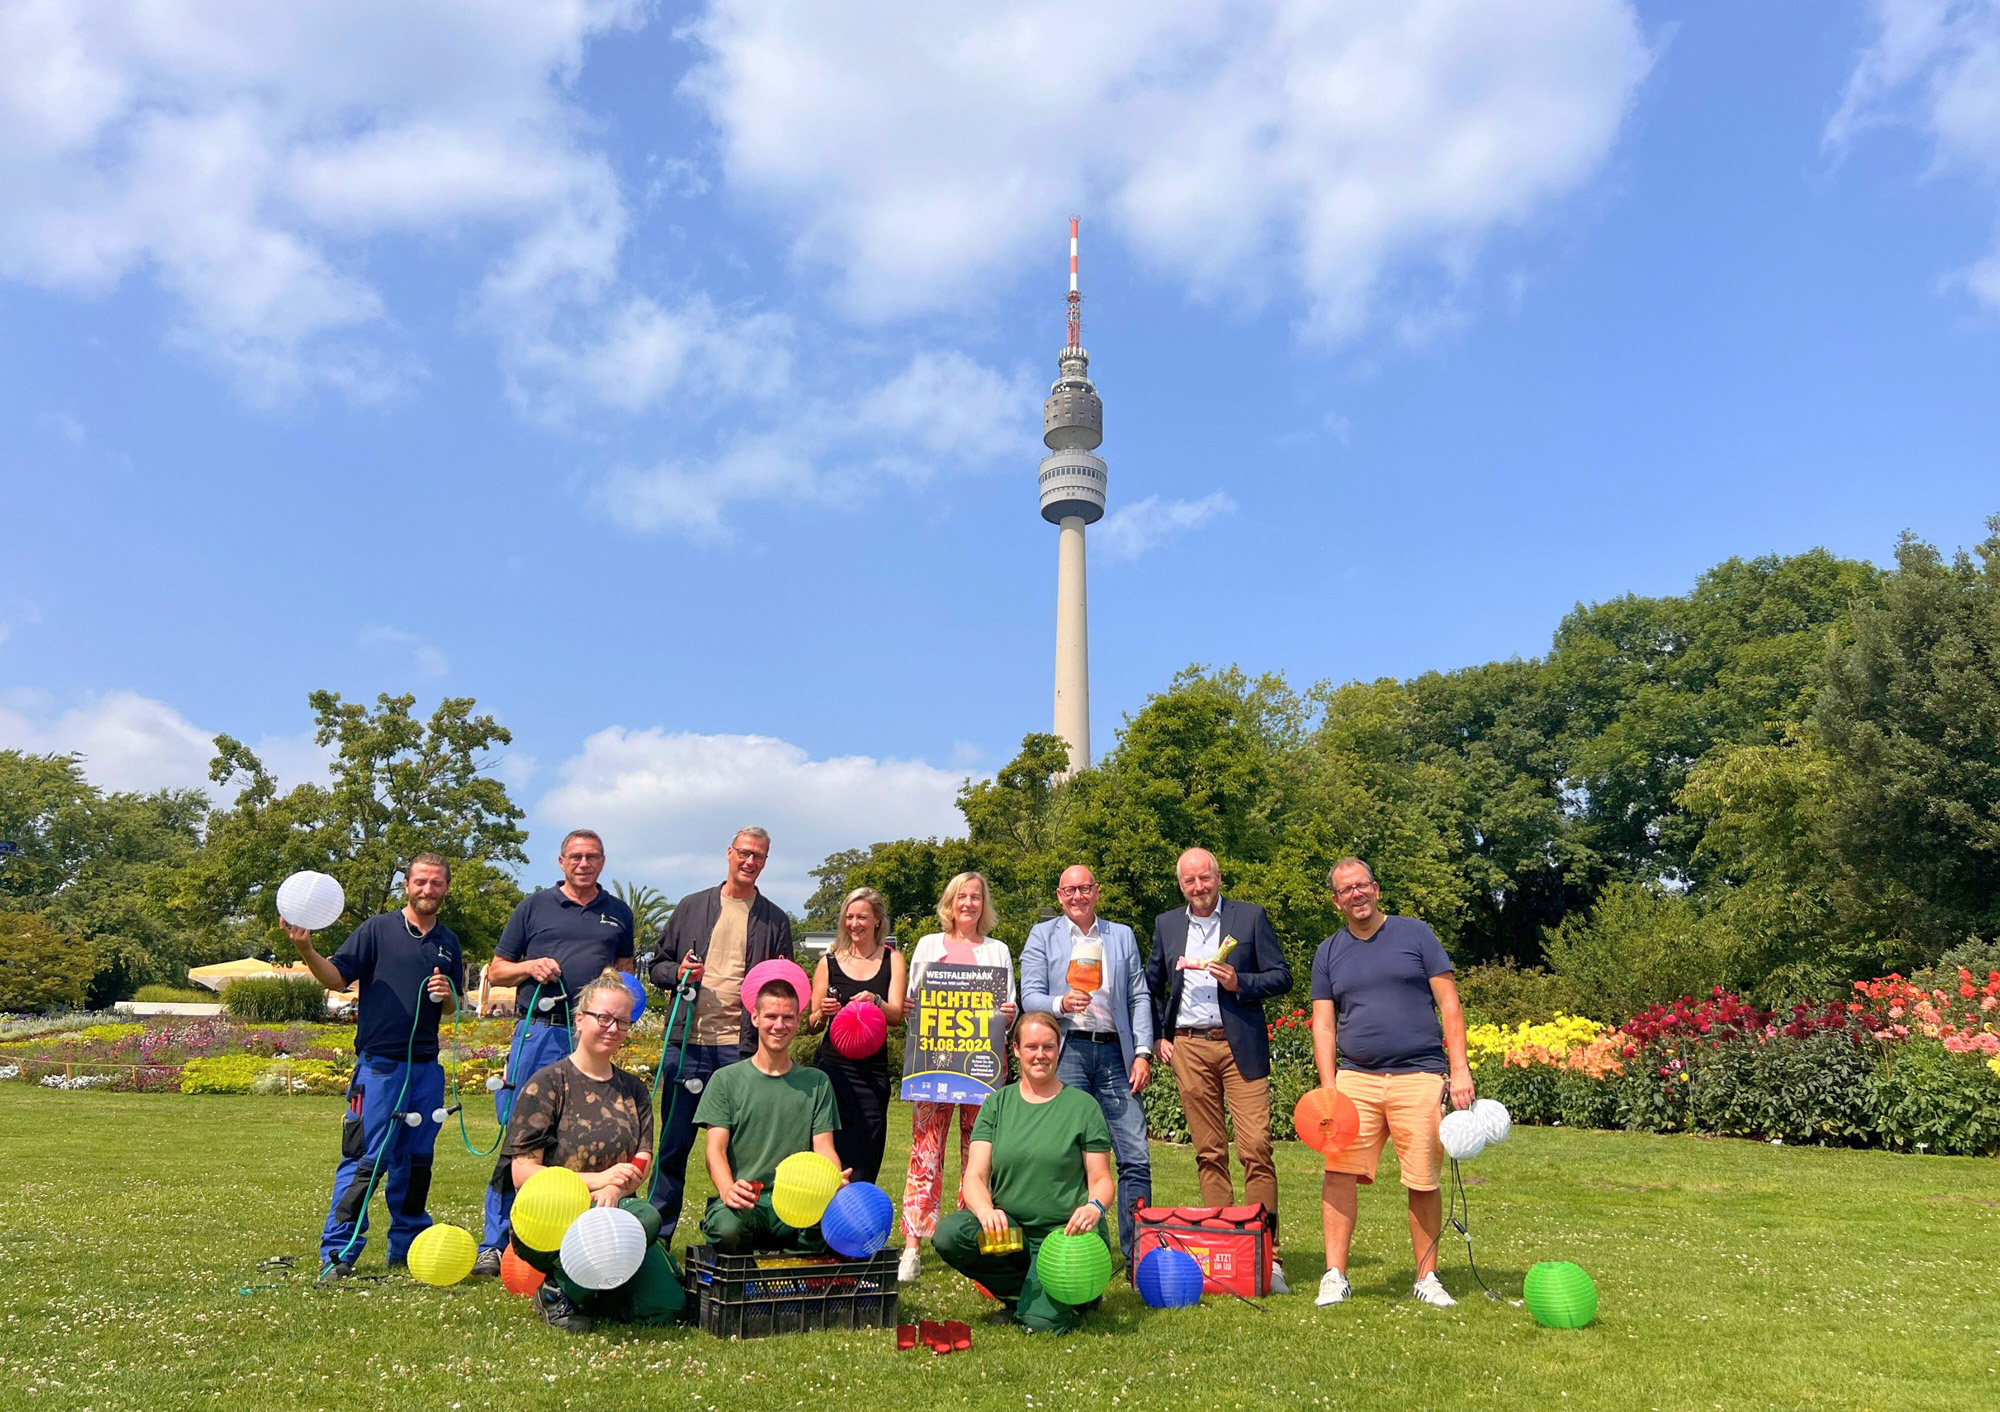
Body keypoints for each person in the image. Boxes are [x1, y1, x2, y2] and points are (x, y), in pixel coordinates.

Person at [287, 852, 464, 1278]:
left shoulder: (449, 942)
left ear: (445, 888)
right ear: (407, 884)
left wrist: (448, 994)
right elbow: (336, 978)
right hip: (379, 1069)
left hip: (426, 1068)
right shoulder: (377, 930)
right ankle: (339, 1253)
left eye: (436, 883)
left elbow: (455, 1007)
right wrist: (306, 947)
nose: (428, 889)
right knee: (365, 1158)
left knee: (417, 1161)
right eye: (420, 881)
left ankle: (406, 1248)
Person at [1310, 856, 1475, 1310]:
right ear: (1336, 900)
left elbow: (1450, 1004)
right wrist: (1329, 1088)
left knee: (1423, 1180)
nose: (1356, 894)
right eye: (1346, 890)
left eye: (1362, 886)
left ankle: (1427, 1277)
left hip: (1419, 1076)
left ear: (1376, 889)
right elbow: (1323, 1025)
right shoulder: (1328, 951)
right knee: (1338, 1174)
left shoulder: (1416, 934)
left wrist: (1459, 1069)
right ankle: (1335, 1275)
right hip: (1355, 1080)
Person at [474, 829, 636, 1273]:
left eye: (593, 857)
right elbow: (497, 970)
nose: (584, 864)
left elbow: (626, 973)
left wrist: (615, 981)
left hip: (593, 1035)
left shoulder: (618, 913)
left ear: (603, 862)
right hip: (539, 1034)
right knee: (521, 1138)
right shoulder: (534, 907)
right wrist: (529, 965)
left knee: (582, 1136)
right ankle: (496, 1242)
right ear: (561, 861)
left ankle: (573, 1235)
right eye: (576, 856)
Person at [1144, 846, 1295, 1294]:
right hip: (1188, 1047)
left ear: (1218, 877)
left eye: (1205, 878)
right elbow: (1151, 988)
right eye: (1190, 881)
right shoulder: (1166, 924)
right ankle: (1225, 1249)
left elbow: (1282, 975)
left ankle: (1269, 1255)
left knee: (1256, 1148)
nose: (1198, 887)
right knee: (1209, 1151)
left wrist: (1240, 982)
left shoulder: (1249, 918)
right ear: (1181, 885)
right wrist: (1158, 1036)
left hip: (1239, 1044)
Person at [501, 968, 682, 1332]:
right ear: (580, 1019)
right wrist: (598, 1181)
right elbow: (522, 1174)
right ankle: (559, 1289)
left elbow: (639, 1164)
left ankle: (602, 1288)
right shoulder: (547, 1084)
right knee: (645, 1217)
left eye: (622, 1021)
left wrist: (615, 1188)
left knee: (666, 1307)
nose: (612, 1028)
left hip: (614, 1213)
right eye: (603, 1018)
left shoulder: (634, 1090)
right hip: (551, 1220)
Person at [646, 826, 795, 1241]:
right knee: (673, 1150)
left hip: (742, 1052)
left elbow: (784, 986)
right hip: (688, 1045)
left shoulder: (775, 919)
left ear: (766, 862)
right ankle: (657, 1242)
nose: (750, 862)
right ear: (729, 853)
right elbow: (656, 966)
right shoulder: (692, 906)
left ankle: (741, 1235)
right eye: (744, 853)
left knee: (743, 1154)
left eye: (759, 857)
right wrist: (677, 973)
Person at [931, 1011, 1116, 1334]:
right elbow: (974, 1176)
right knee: (951, 1234)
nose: (1040, 1055)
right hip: (1012, 1236)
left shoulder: (1083, 1107)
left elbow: (1101, 1180)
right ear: (1015, 1049)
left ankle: (1073, 1297)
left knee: (1039, 1325)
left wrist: (1093, 1207)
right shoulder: (996, 1104)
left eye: (1048, 1046)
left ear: (1059, 1049)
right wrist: (985, 1210)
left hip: (1064, 1238)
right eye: (1031, 1047)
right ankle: (1023, 1291)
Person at [1019, 864, 1153, 1265]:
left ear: (1097, 892)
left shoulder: (1122, 935)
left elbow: (1139, 996)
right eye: (1069, 890)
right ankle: (1087, 1250)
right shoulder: (1042, 936)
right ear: (1059, 896)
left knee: (1134, 1153)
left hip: (1116, 1053)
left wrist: (1143, 1051)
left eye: (1085, 889)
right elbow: (1030, 997)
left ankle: (1137, 1255)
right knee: (1072, 1154)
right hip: (1069, 1050)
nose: (1077, 896)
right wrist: (1060, 1003)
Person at [898, 871, 1017, 1283]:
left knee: (978, 1152)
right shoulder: (929, 945)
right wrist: (912, 1003)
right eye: (961, 896)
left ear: (984, 905)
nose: (968, 903)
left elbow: (1010, 1005)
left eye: (976, 897)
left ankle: (965, 1236)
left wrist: (1008, 1014)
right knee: (925, 1153)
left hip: (981, 1069)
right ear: (949, 903)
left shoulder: (998, 951)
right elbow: (913, 999)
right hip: (932, 1065)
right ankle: (913, 1244)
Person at [693, 978, 846, 1253]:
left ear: (799, 1021)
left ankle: (797, 1282)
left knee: (833, 1221)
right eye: (771, 1016)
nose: (779, 1025)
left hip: (797, 1200)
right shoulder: (725, 1080)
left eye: (788, 1017)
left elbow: (825, 1147)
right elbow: (715, 1151)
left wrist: (834, 1179)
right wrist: (727, 1189)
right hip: (746, 1198)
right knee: (727, 1229)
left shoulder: (817, 1082)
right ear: (755, 1017)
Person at [806, 886, 907, 1185]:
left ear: (878, 920)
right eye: (849, 917)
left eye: (862, 917)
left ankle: (857, 1219)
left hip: (872, 1074)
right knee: (825, 1151)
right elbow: (811, 1024)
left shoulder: (892, 960)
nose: (854, 924)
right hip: (832, 1071)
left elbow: (897, 1016)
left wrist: (875, 1000)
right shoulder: (829, 961)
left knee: (866, 1155)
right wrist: (822, 1012)